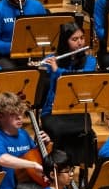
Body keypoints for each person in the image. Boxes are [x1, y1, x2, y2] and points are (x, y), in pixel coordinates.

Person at [38, 22, 98, 166]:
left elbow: (81, 78)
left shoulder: (90, 60)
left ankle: (82, 168)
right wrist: (41, 69)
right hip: (53, 110)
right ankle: (56, 167)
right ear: (65, 42)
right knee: (58, 129)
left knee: (86, 130)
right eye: (75, 39)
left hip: (77, 108)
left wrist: (57, 71)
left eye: (82, 38)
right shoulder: (53, 58)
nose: (80, 42)